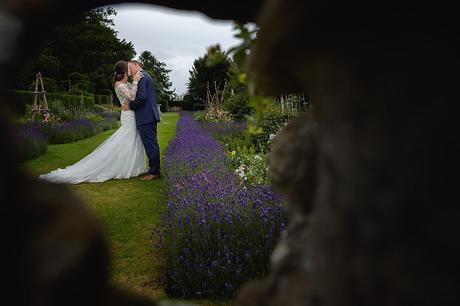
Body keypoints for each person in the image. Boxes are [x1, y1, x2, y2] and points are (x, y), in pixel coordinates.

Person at [39, 61, 147, 184]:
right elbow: (132, 97)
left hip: (132, 114)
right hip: (128, 116)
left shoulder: (126, 83)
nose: (129, 70)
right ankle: (121, 166)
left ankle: (132, 166)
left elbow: (136, 94)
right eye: (127, 68)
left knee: (132, 140)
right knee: (127, 139)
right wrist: (136, 81)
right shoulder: (119, 85)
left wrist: (135, 82)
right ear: (124, 71)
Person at [123, 60, 161, 180]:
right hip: (149, 115)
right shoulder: (145, 76)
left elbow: (142, 97)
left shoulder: (142, 77)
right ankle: (154, 170)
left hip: (146, 116)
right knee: (152, 144)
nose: (129, 72)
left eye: (130, 68)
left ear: (136, 65)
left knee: (150, 145)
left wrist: (130, 106)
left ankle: (154, 172)